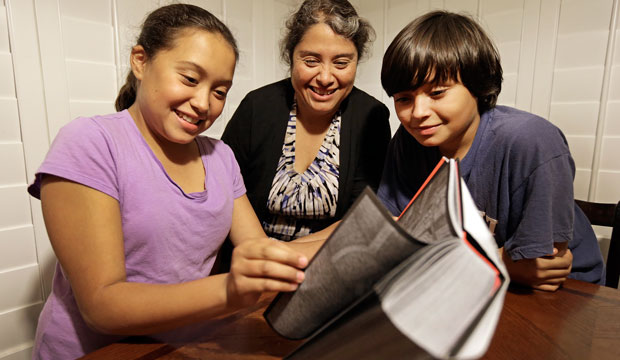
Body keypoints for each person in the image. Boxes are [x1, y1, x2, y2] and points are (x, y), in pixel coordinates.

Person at [27, 4, 316, 359]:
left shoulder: (220, 157)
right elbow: (102, 305)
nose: (202, 103)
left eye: (220, 91)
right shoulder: (91, 142)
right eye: (190, 79)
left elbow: (258, 251)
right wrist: (229, 289)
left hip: (183, 347)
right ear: (140, 61)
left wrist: (351, 236)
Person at [378, 10, 605, 291]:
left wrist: (433, 252)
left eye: (437, 92)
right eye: (403, 98)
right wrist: (500, 260)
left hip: (569, 295)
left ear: (477, 86)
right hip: (468, 282)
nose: (418, 112)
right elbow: (392, 238)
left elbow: (542, 269)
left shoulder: (531, 142)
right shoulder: (410, 140)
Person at [221, 0, 391, 241]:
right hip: (251, 258)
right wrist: (263, 258)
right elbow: (225, 192)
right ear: (291, 58)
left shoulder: (371, 116)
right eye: (311, 61)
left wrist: (289, 256)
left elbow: (361, 218)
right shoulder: (257, 107)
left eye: (341, 63)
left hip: (330, 261)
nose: (325, 77)